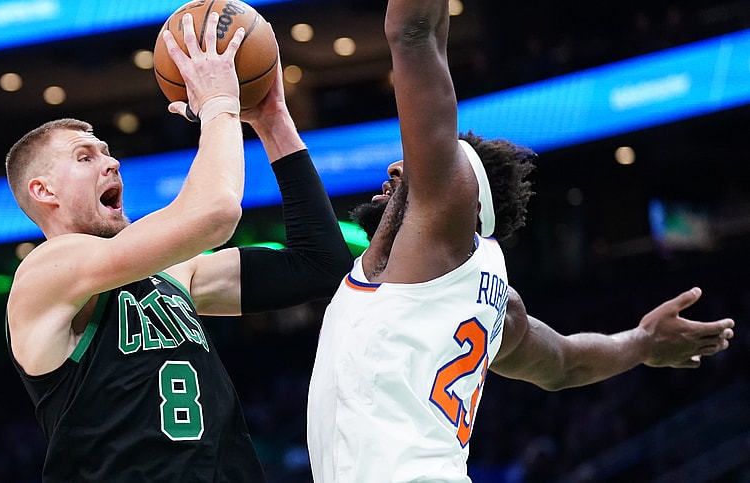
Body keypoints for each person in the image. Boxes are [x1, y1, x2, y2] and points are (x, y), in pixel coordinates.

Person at [305, 1, 736, 482]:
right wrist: (641, 343)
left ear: (460, 198)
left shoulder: (442, 241)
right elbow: (565, 363)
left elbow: (413, 30)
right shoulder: (493, 303)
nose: (396, 168)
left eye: (420, 172)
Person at [4, 12, 352, 482]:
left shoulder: (176, 273)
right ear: (43, 191)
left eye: (108, 152)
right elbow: (215, 214)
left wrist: (272, 122)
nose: (111, 163)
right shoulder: (47, 271)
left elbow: (321, 265)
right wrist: (219, 105)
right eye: (85, 157)